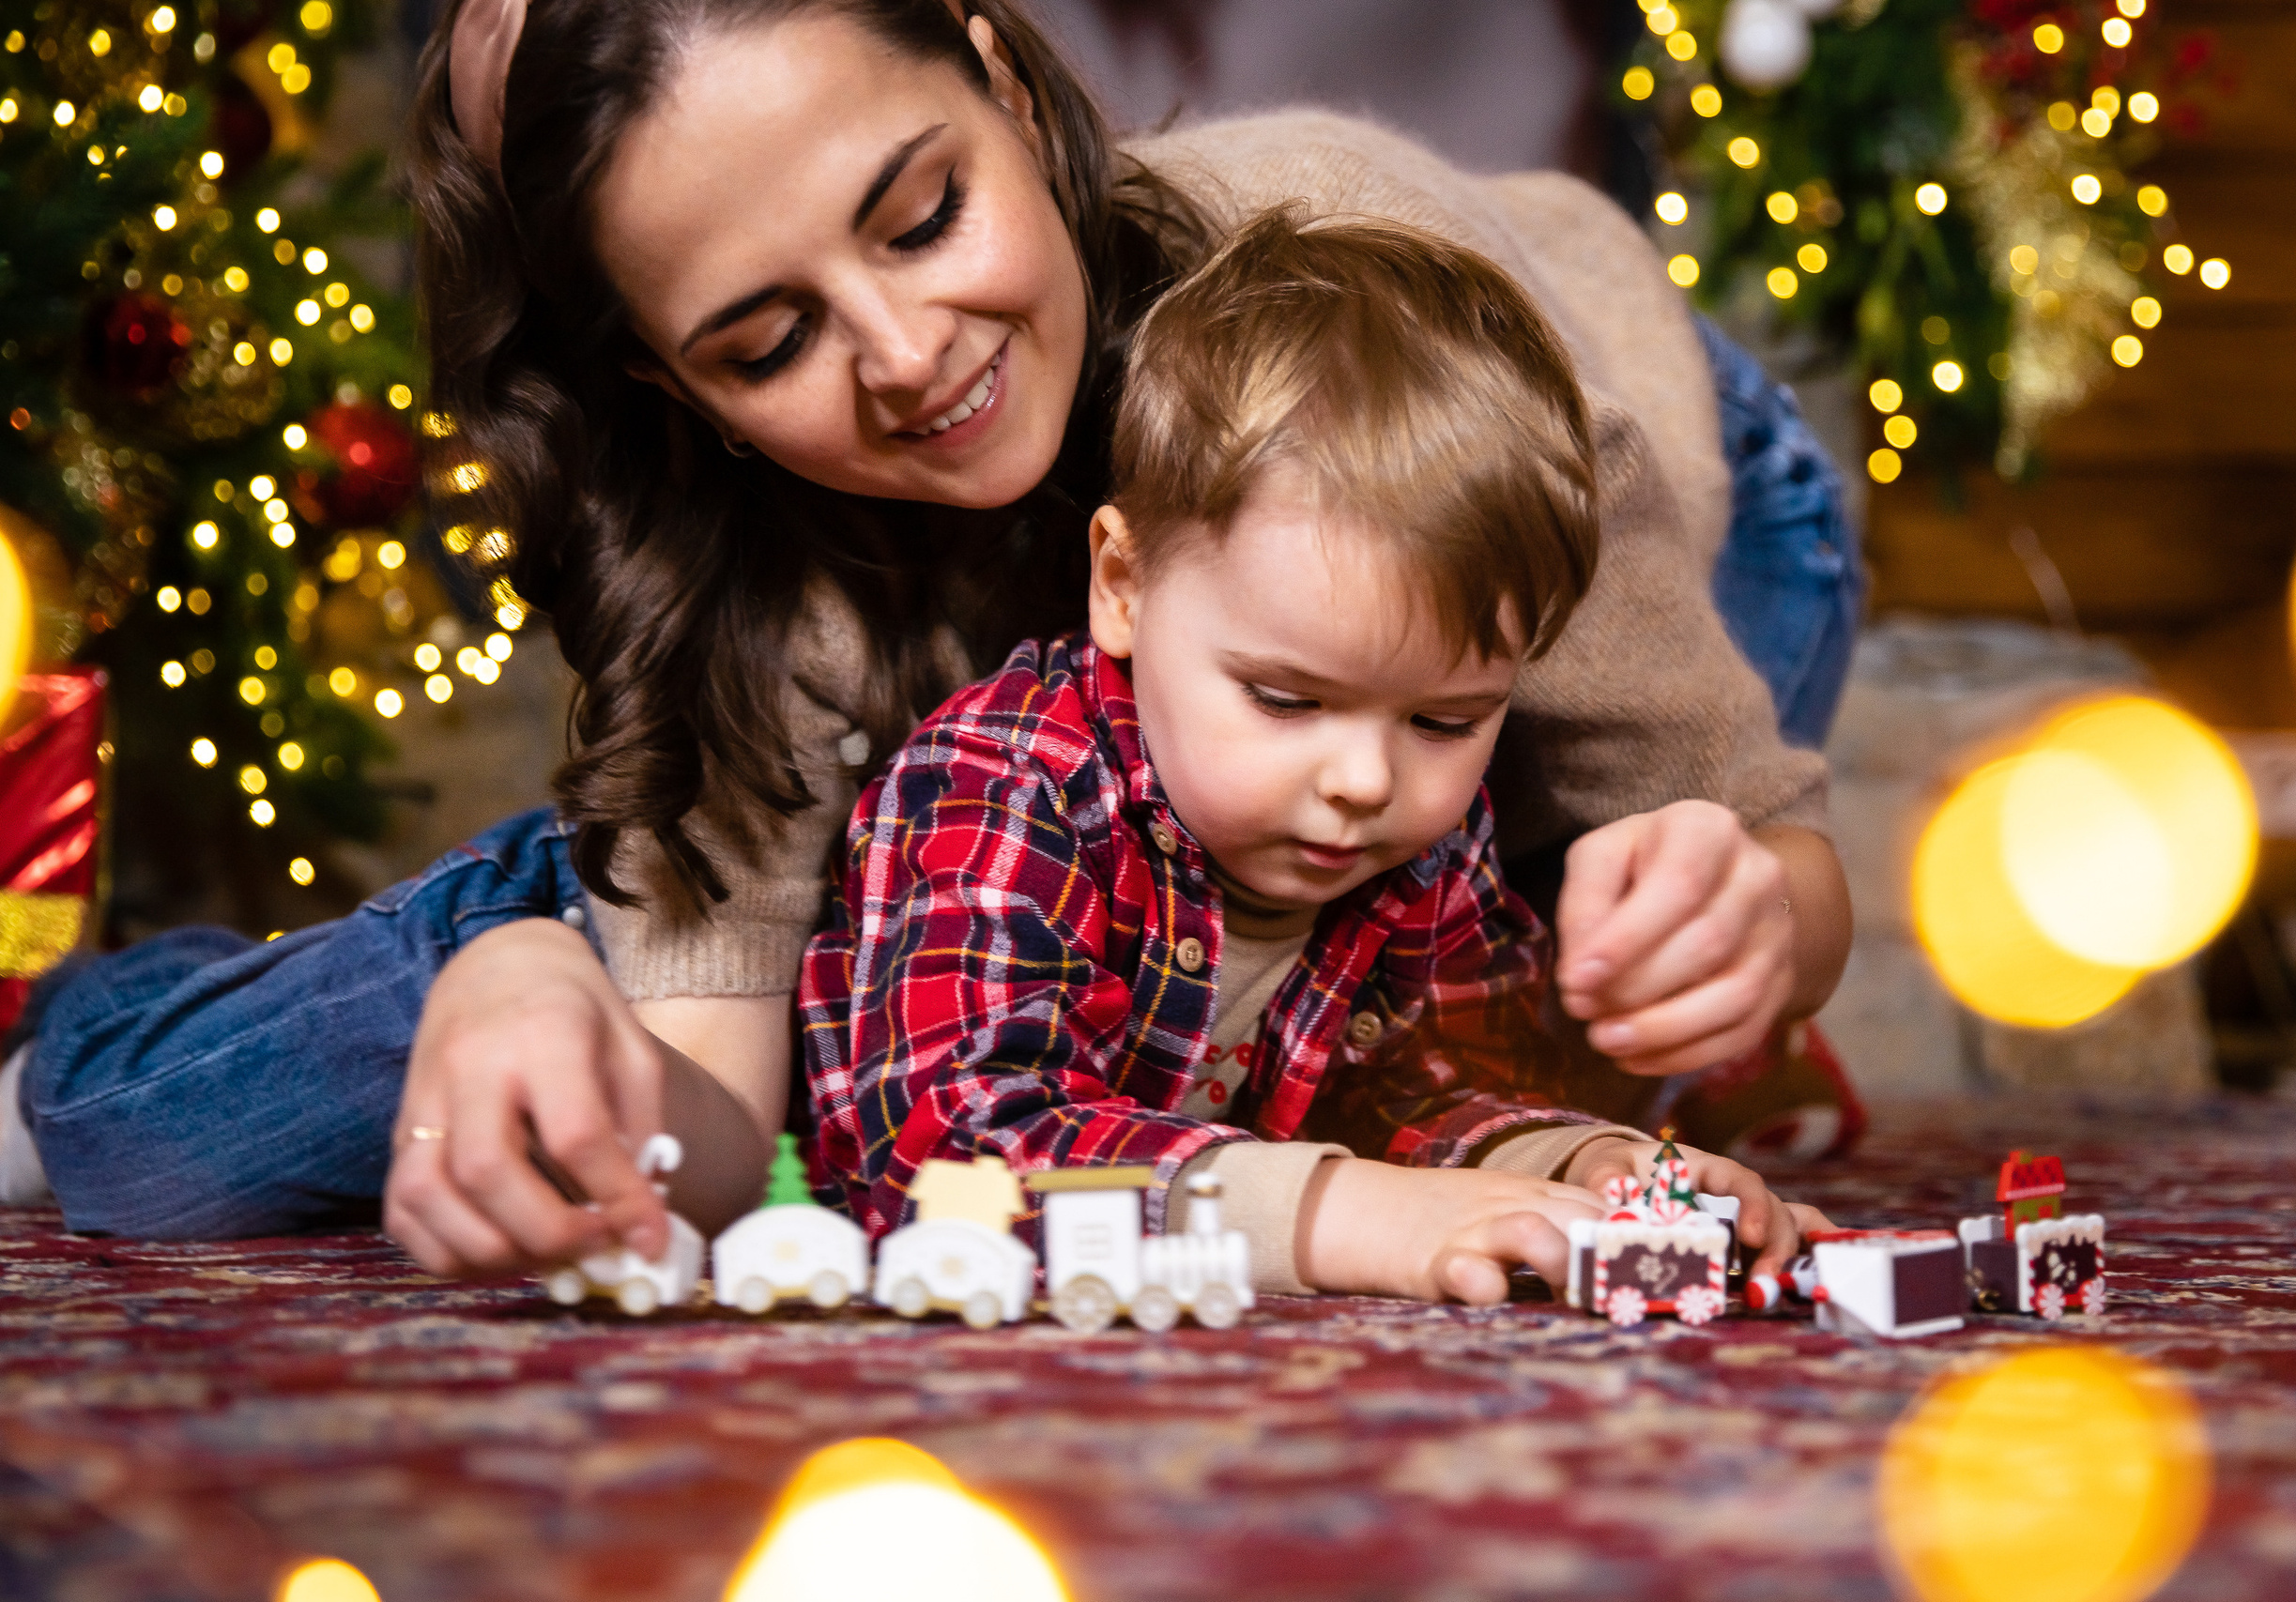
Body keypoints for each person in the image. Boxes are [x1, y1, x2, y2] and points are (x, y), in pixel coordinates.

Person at [8, 0, 1850, 1280]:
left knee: (1550, 992)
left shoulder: (1360, 300)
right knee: (719, 1007)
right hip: (1019, 706)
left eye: (923, 212)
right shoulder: (764, 584)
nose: (905, 353)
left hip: (1615, 454)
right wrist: (532, 995)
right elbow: (724, 1142)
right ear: (672, 383)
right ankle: (285, 1000)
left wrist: (1736, 912)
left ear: (988, 62)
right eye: (764, 340)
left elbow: (1775, 863)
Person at [802, 207, 1832, 1299]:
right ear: (1122, 585)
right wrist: (1339, 1213)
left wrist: (1574, 1164)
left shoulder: (1422, 842)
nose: (1366, 782)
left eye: (1444, 721)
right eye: (1286, 700)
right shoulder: (1004, 790)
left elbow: (1425, 1090)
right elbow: (947, 1156)